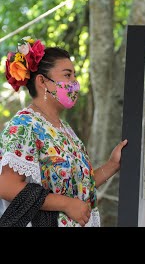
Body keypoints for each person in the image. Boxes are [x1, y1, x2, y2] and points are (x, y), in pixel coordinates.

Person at [0, 37, 128, 227]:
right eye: (67, 75)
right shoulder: (24, 125)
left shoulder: (64, 129)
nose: (75, 82)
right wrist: (66, 204)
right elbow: (6, 185)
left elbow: (78, 188)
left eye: (74, 76)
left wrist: (112, 165)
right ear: (42, 81)